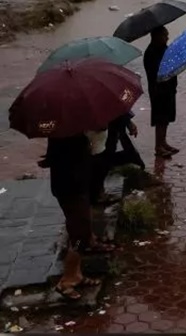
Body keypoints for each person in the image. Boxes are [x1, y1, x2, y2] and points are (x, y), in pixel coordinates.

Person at [47, 133, 114, 301]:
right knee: (79, 233)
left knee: (78, 228)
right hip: (71, 187)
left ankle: (76, 273)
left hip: (74, 186)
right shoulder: (68, 138)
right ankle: (67, 280)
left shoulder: (64, 133)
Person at [89, 113, 145, 206]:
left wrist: (128, 121)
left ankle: (96, 191)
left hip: (110, 123)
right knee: (105, 155)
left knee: (103, 154)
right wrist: (128, 122)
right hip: (107, 124)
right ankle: (96, 192)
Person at [143, 26, 180, 158]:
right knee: (160, 119)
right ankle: (158, 146)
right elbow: (157, 72)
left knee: (166, 119)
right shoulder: (151, 53)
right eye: (165, 35)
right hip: (159, 91)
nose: (167, 38)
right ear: (157, 37)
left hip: (168, 89)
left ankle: (163, 142)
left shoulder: (162, 49)